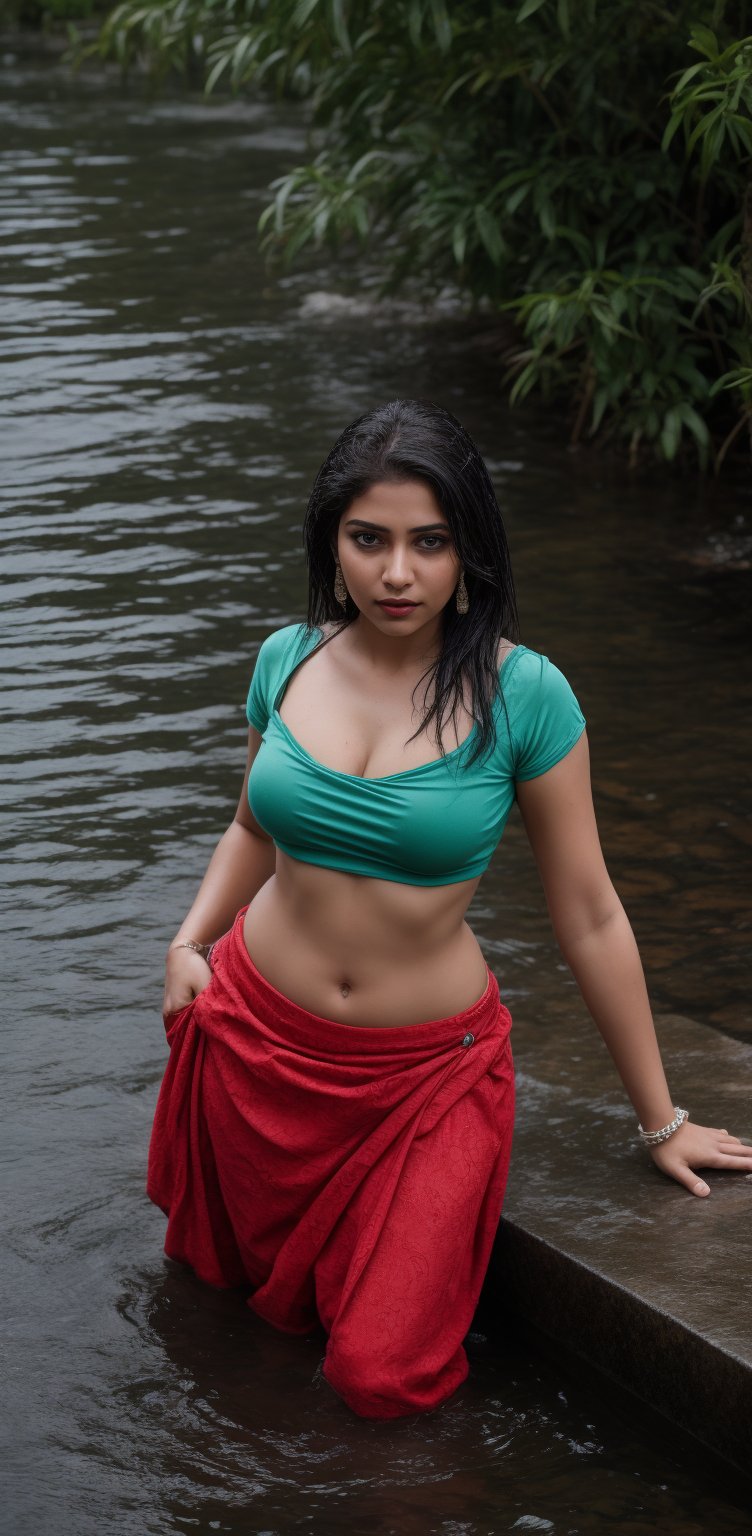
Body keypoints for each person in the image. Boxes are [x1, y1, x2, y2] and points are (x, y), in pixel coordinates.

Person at [149, 398, 752, 1420]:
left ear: (468, 547)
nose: (396, 574)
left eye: (429, 543)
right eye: (368, 539)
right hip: (253, 1043)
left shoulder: (526, 696)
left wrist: (661, 1118)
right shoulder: (284, 661)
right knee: (219, 1318)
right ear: (329, 540)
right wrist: (190, 937)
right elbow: (253, 826)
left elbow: (590, 913)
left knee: (377, 1374)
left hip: (420, 1080)